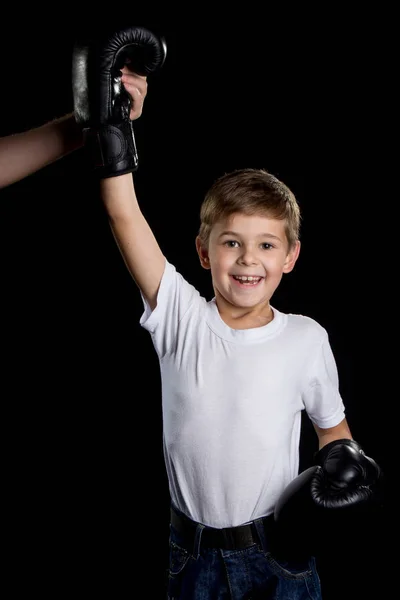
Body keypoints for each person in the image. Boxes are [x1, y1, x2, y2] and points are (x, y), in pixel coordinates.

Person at [70, 25, 382, 600]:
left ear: (290, 257)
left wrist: (343, 460)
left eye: (266, 245)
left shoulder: (306, 338)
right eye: (231, 242)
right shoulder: (180, 318)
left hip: (279, 554)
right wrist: (110, 124)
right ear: (202, 251)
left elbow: (333, 431)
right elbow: (123, 216)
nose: (247, 261)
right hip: (190, 556)